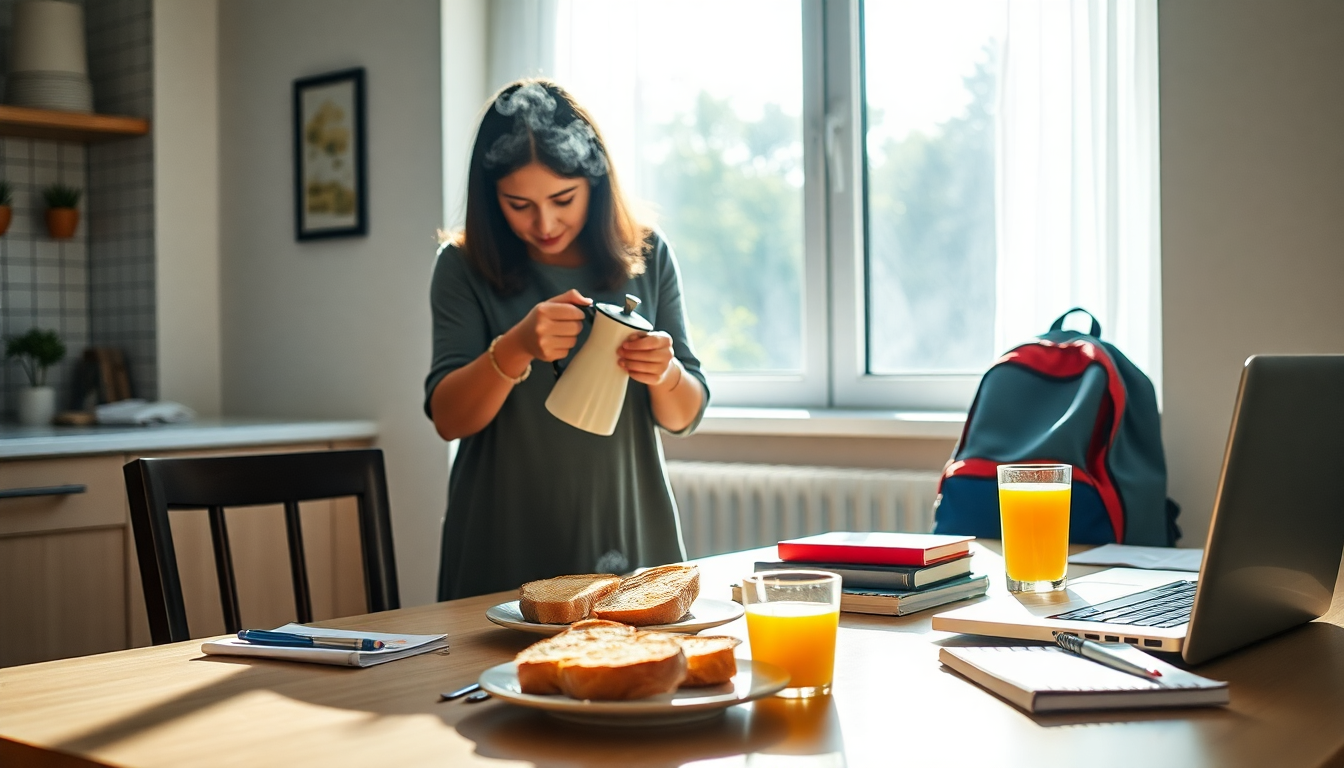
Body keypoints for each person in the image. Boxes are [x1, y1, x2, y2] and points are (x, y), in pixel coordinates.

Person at [425, 79, 709, 601]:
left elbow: (684, 416)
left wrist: (664, 373)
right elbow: (449, 418)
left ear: (595, 183)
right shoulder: (463, 268)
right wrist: (514, 348)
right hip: (502, 545)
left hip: (629, 539)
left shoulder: (646, 254)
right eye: (519, 204)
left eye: (562, 199)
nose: (545, 222)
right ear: (490, 199)